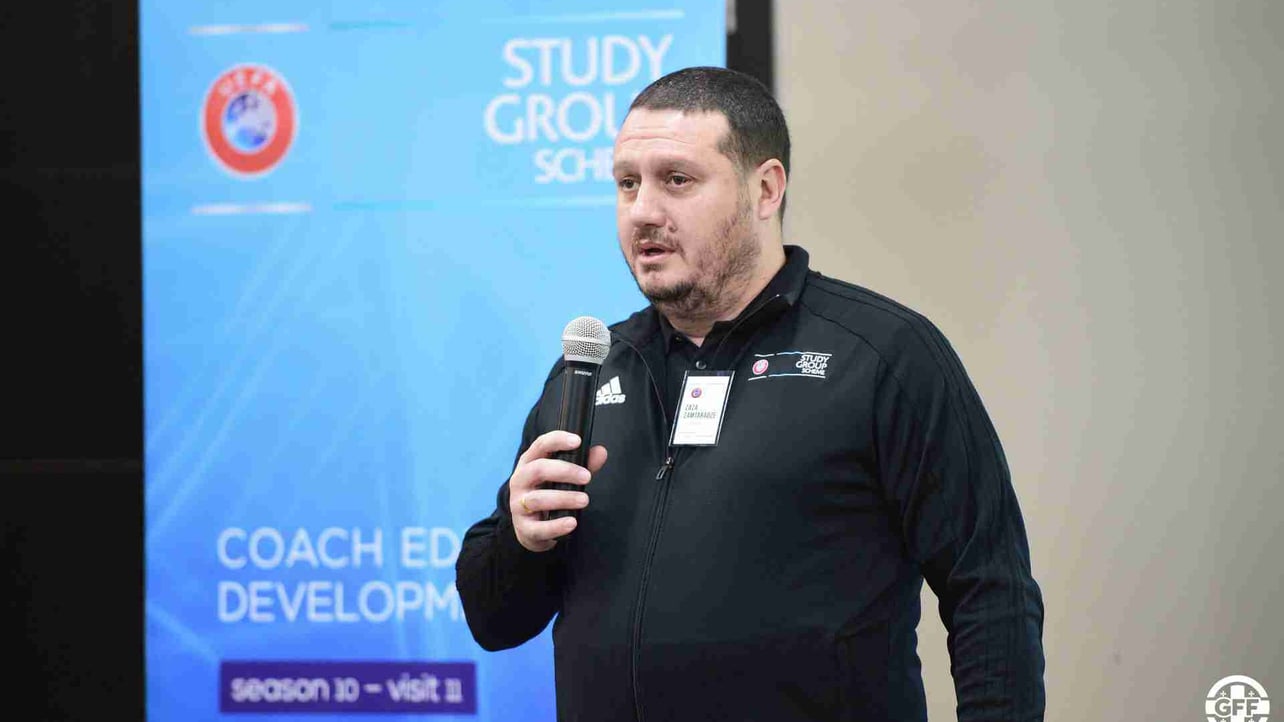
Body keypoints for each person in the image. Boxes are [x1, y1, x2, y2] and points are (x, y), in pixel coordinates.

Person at [456, 66, 1046, 721]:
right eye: (627, 183)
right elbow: (494, 620)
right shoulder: (591, 372)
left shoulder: (883, 354)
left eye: (676, 180)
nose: (643, 210)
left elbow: (990, 591)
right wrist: (522, 539)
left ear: (765, 189)